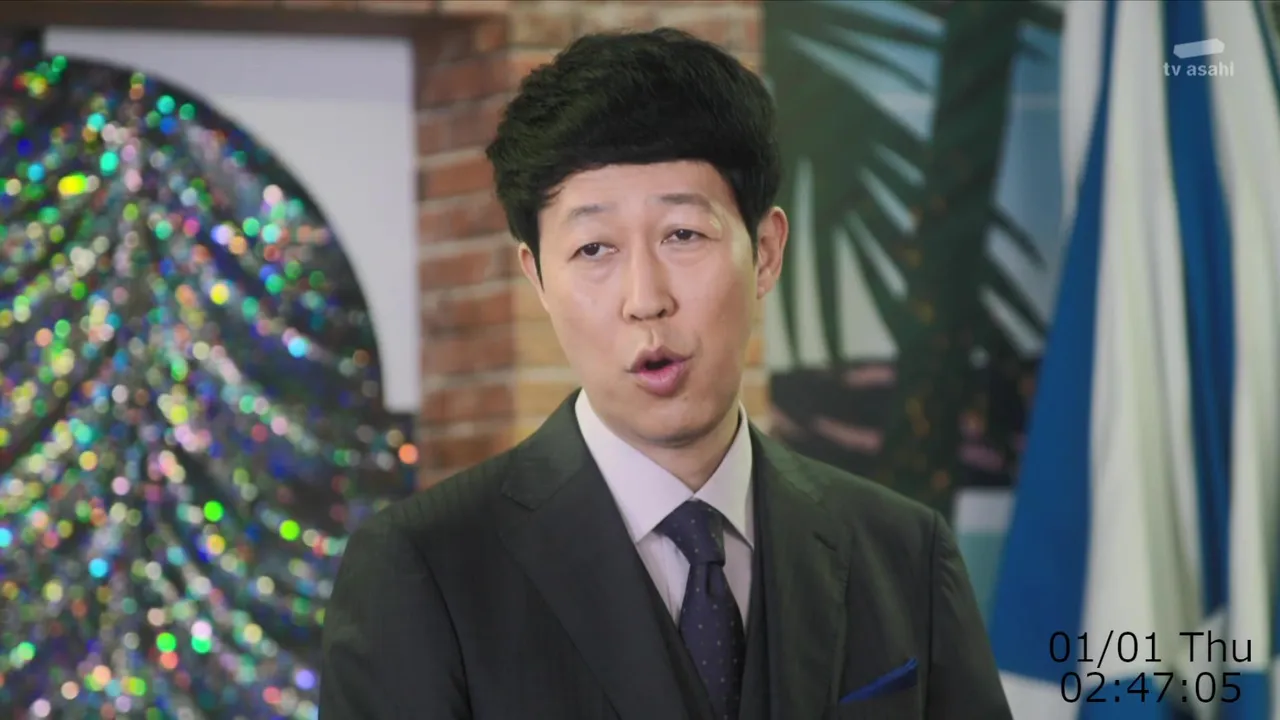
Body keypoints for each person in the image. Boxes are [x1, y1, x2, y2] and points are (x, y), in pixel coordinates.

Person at [318, 27, 1010, 720]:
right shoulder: (425, 569)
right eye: (594, 249)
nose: (645, 298)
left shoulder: (904, 555)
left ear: (766, 252)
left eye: (683, 235)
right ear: (538, 279)